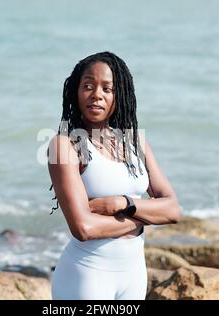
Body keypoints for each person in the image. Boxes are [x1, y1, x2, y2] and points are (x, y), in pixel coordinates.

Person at [47, 51, 181, 300]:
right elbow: (83, 228)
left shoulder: (136, 142)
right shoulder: (64, 145)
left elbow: (173, 210)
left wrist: (123, 204)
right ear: (76, 92)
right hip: (87, 274)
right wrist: (142, 219)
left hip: (133, 273)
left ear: (119, 95)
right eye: (87, 86)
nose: (96, 94)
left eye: (107, 89)